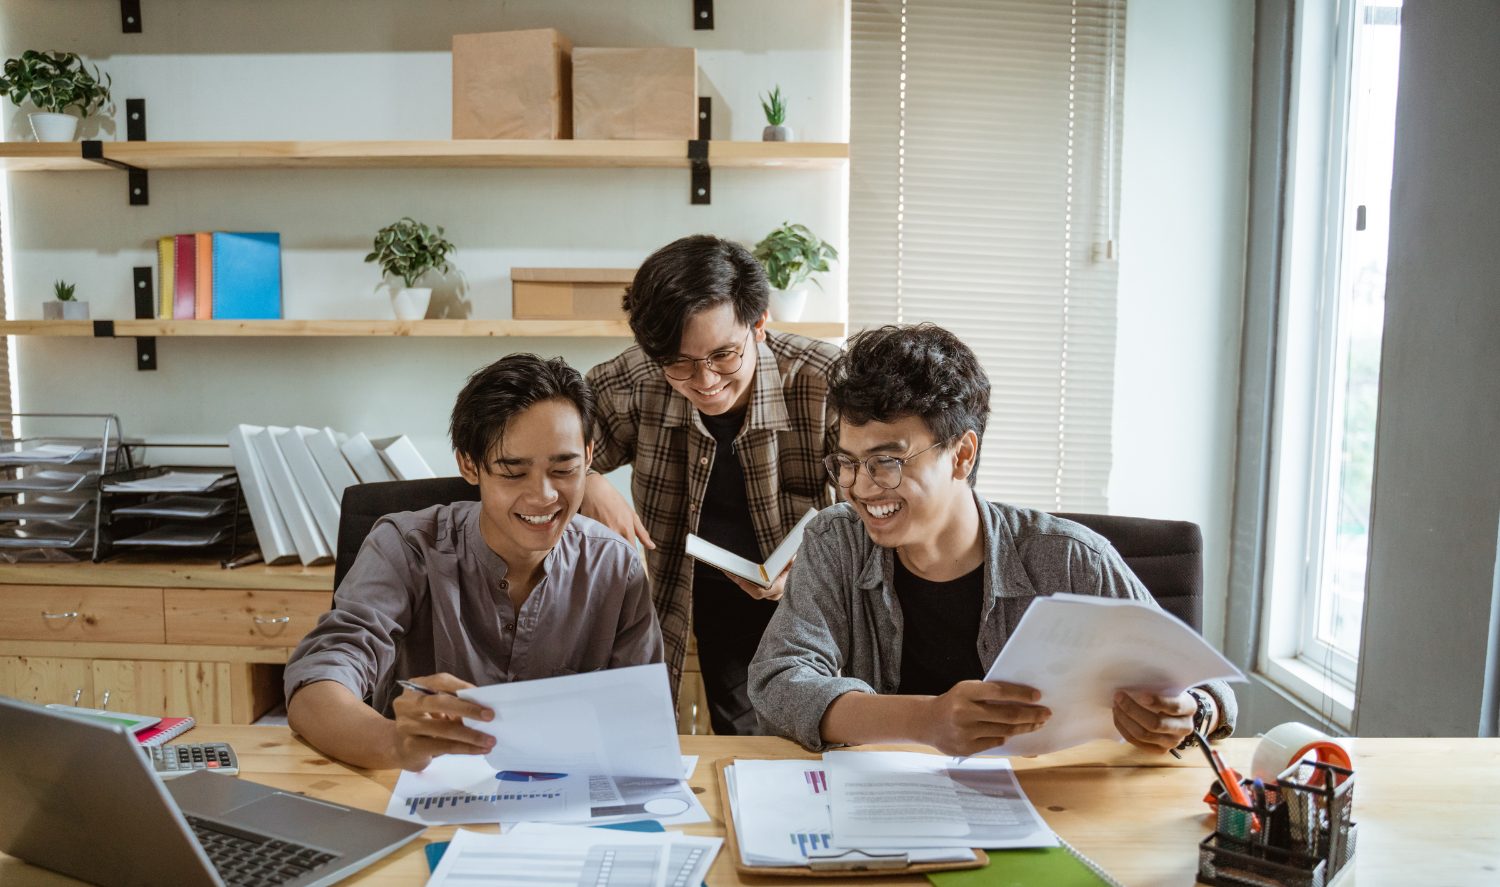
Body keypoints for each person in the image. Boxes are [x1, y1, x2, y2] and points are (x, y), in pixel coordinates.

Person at [748, 324, 1237, 755]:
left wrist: (1190, 713)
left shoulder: (1072, 558)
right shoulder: (836, 540)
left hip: (1049, 800)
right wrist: (925, 721)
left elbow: (1208, 689)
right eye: (848, 463)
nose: (860, 486)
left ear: (962, 455)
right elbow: (778, 682)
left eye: (887, 462)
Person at [284, 354, 663, 771]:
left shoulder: (617, 568)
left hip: (569, 793)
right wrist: (392, 742)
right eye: (513, 473)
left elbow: (642, 723)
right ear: (469, 464)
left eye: (564, 469)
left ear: (588, 457)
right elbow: (318, 682)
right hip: (417, 789)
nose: (543, 496)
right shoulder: (407, 547)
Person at [582, 235, 842, 735]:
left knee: (814, 732)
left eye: (724, 355)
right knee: (739, 737)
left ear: (759, 325)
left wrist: (812, 566)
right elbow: (548, 454)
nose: (704, 381)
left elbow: (874, 506)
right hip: (701, 591)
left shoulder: (826, 379)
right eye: (679, 362)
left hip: (811, 597)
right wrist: (587, 481)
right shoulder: (634, 380)